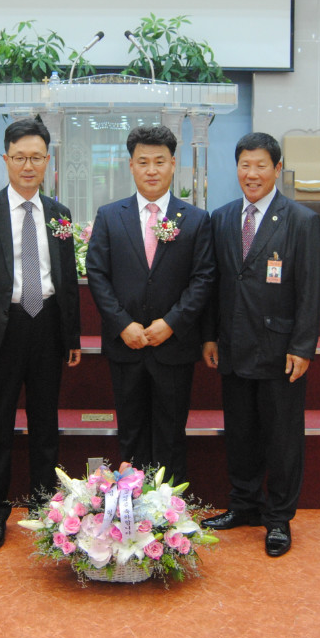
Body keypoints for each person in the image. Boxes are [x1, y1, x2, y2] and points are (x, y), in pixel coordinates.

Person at [0, 118, 82, 550]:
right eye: (19, 157)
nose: (28, 166)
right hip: (1, 329)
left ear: (48, 161)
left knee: (46, 423)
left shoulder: (60, 214)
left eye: (36, 157)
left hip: (46, 323)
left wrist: (72, 336)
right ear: (6, 159)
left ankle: (45, 510)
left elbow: (67, 278)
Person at [201, 131, 320, 558]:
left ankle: (278, 518)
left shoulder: (301, 220)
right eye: (244, 165)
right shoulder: (221, 217)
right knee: (241, 432)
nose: (251, 174)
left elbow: (310, 290)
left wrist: (303, 346)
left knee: (282, 437)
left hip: (279, 349)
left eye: (260, 166)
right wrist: (210, 335)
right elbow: (214, 283)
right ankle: (244, 505)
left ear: (277, 169)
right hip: (233, 345)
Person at [85, 124, 214, 485]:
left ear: (173, 163)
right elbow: (97, 274)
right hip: (126, 345)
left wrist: (171, 323)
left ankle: (171, 509)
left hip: (173, 346)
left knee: (171, 432)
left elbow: (203, 278)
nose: (152, 170)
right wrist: (122, 324)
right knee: (131, 431)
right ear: (131, 166)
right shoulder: (110, 215)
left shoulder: (195, 219)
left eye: (160, 161)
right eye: (143, 162)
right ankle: (133, 505)